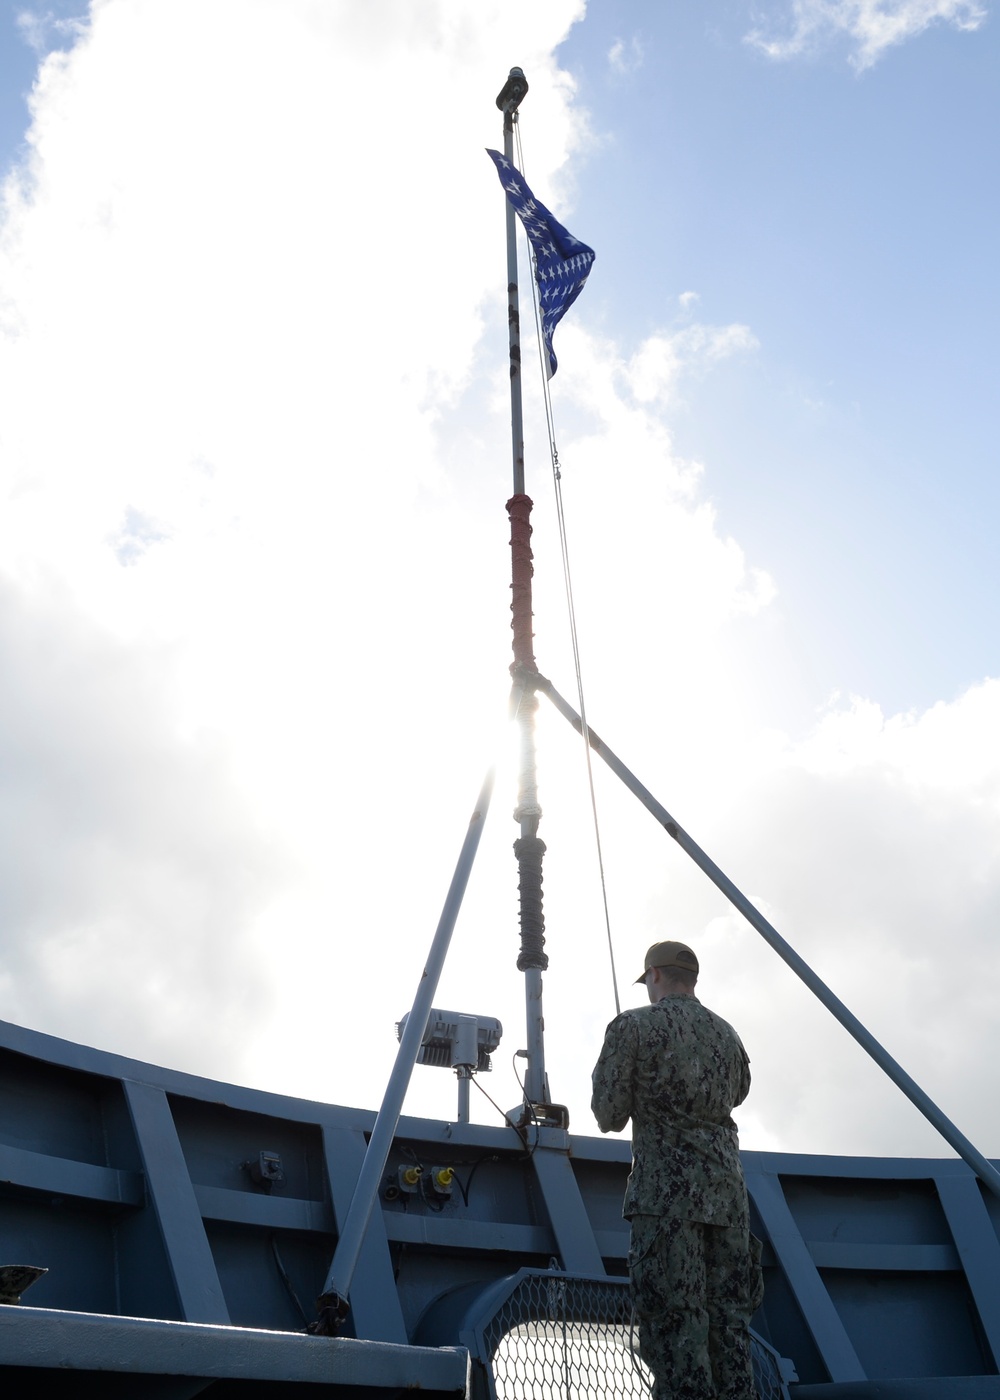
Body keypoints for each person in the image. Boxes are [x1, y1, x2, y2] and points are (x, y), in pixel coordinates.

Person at [591, 940, 761, 1400]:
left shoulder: (633, 1027)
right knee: (730, 1328)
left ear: (655, 976)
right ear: (693, 979)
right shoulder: (728, 1035)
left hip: (666, 1204)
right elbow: (738, 1094)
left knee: (675, 1328)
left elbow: (608, 1114)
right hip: (728, 1203)